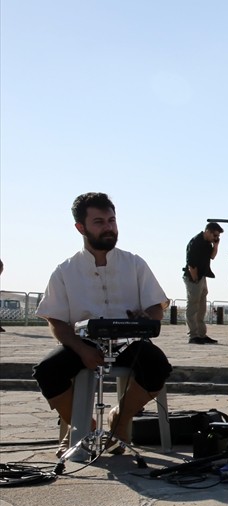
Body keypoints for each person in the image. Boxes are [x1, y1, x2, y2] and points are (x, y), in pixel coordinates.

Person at [33, 192, 172, 456]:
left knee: (157, 366)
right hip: (84, 342)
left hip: (128, 341)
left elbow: (156, 306)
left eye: (111, 220)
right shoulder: (65, 270)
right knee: (47, 371)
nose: (108, 227)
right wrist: (82, 349)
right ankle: (82, 427)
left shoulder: (134, 263)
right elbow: (57, 321)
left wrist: (149, 320)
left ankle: (120, 422)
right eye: (99, 222)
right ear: (80, 227)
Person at [183, 221, 222, 344]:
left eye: (217, 236)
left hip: (202, 277)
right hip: (193, 277)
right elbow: (191, 264)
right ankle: (193, 335)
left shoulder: (207, 243)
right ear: (207, 231)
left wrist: (216, 245)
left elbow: (212, 256)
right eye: (215, 235)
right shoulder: (196, 242)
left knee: (202, 307)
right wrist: (195, 280)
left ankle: (201, 334)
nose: (216, 238)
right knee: (193, 306)